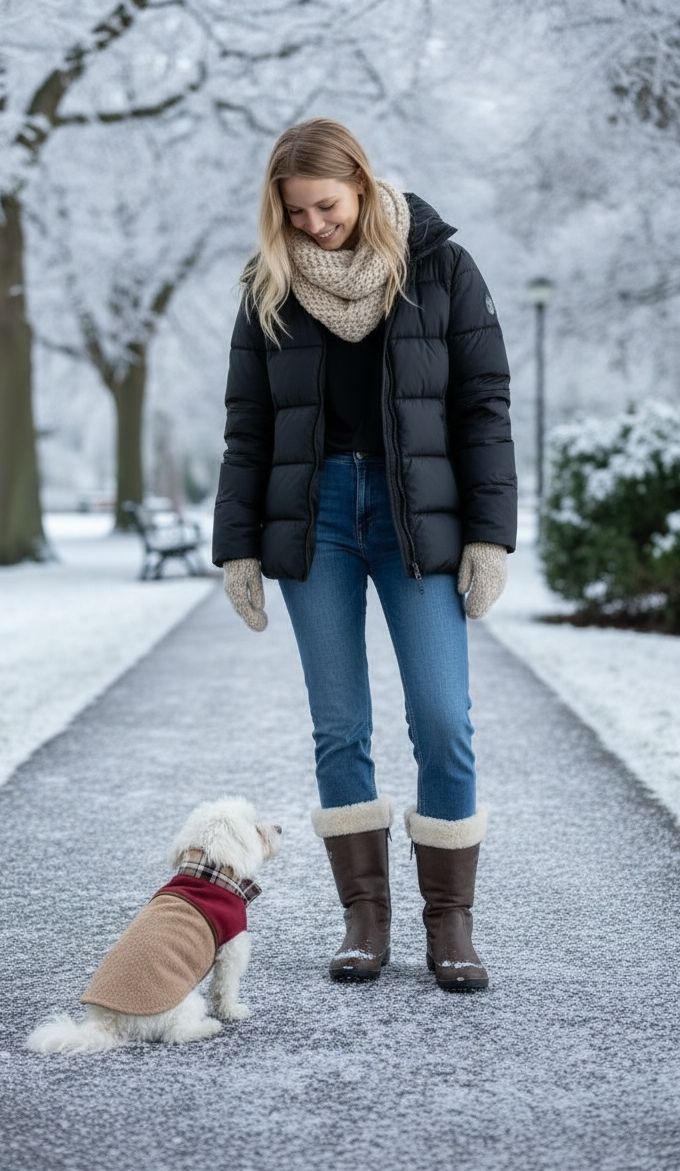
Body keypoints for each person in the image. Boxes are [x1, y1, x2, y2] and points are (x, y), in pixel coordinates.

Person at [212, 118, 517, 992]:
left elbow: (483, 407)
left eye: (326, 206)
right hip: (316, 521)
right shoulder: (268, 286)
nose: (313, 225)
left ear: (360, 181)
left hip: (417, 516)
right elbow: (249, 427)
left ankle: (450, 926)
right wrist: (237, 548)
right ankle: (365, 920)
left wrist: (490, 535)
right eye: (295, 212)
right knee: (340, 725)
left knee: (443, 721)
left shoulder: (442, 268)